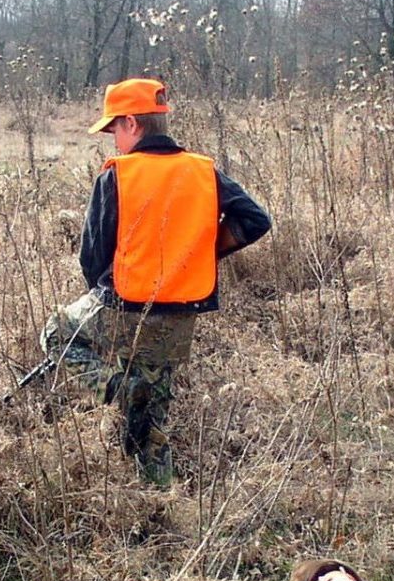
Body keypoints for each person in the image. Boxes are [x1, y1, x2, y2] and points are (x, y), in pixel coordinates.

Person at [38, 78, 271, 485]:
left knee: (57, 334)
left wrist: (110, 293)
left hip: (125, 307)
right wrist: (197, 253)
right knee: (150, 423)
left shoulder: (118, 175)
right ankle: (158, 501)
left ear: (132, 123)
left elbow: (91, 258)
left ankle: (117, 389)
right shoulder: (203, 171)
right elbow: (255, 221)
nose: (114, 141)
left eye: (114, 130)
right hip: (180, 317)